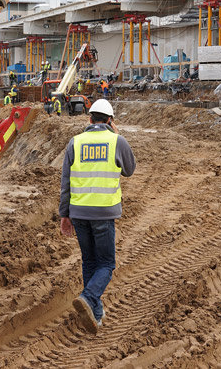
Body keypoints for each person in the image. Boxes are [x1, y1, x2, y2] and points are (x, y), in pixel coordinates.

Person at [59, 99, 135, 333]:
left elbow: (66, 181)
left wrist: (64, 214)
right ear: (110, 121)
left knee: (90, 262)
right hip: (103, 213)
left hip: (79, 213)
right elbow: (129, 170)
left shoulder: (75, 142)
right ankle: (88, 296)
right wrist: (119, 136)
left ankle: (96, 314)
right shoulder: (116, 141)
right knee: (107, 264)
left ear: (89, 119)